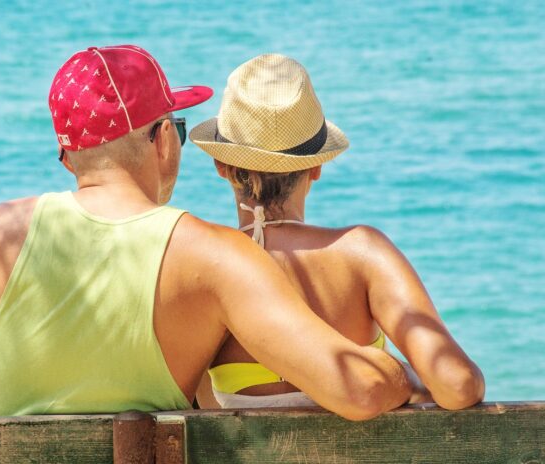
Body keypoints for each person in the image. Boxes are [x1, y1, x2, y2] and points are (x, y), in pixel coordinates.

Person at [0, 45, 416, 463]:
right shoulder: (208, 255)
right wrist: (401, 373)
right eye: (174, 124)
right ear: (163, 141)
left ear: (67, 156)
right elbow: (358, 390)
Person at [190, 53, 485, 409]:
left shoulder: (203, 266)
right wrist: (401, 374)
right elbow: (459, 385)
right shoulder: (364, 253)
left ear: (221, 166)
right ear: (316, 166)